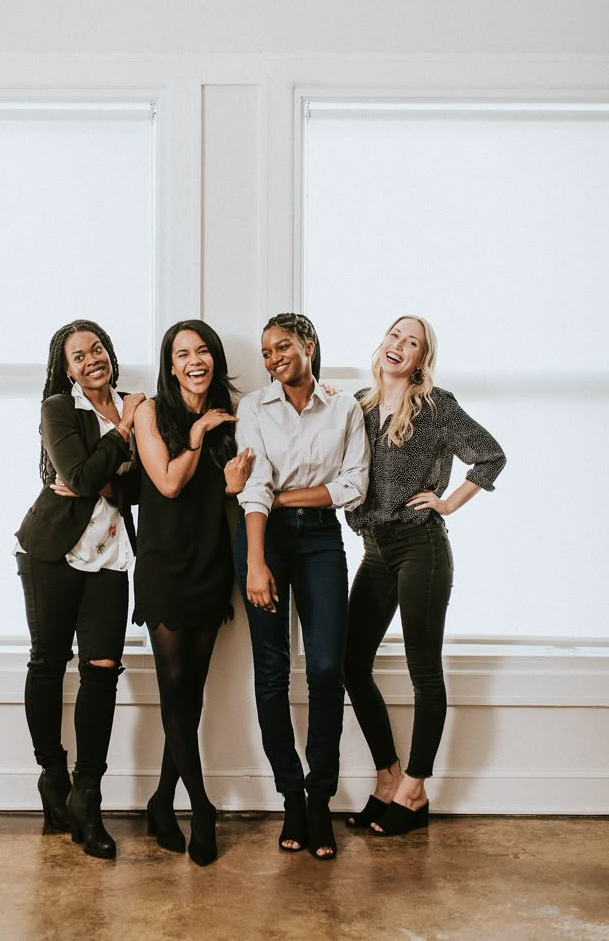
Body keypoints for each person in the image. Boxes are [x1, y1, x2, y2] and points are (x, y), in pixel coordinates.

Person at [344, 314, 506, 836]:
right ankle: (388, 776)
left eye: (412, 343)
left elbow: (489, 456)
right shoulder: (360, 408)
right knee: (352, 665)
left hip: (421, 547)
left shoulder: (436, 406)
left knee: (424, 671)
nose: (399, 346)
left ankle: (414, 790)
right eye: (395, 335)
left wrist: (448, 503)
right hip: (375, 550)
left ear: (421, 359)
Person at [233, 312, 369, 860]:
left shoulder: (344, 408)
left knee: (326, 669)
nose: (272, 359)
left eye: (282, 346)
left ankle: (321, 797)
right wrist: (256, 562)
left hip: (319, 541)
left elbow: (352, 485)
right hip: (262, 537)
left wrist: (288, 498)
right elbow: (253, 482)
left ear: (308, 345)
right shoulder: (253, 408)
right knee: (270, 671)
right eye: (266, 352)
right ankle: (291, 796)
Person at [14, 319, 145, 859]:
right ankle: (52, 777)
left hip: (110, 559)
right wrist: (119, 440)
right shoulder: (59, 409)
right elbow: (84, 476)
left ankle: (87, 795)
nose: (91, 358)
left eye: (97, 348)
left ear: (109, 354)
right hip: (50, 552)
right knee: (47, 662)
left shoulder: (138, 408)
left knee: (101, 672)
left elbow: (141, 488)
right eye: (78, 355)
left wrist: (102, 471)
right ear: (65, 368)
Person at [132, 319, 252, 866]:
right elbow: (168, 483)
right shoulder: (151, 412)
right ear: (170, 364)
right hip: (164, 564)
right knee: (173, 689)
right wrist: (199, 434)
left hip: (210, 562)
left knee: (189, 694)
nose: (194, 360)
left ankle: (161, 800)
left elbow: (238, 488)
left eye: (203, 350)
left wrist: (233, 479)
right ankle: (200, 808)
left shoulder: (237, 410)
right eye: (183, 354)